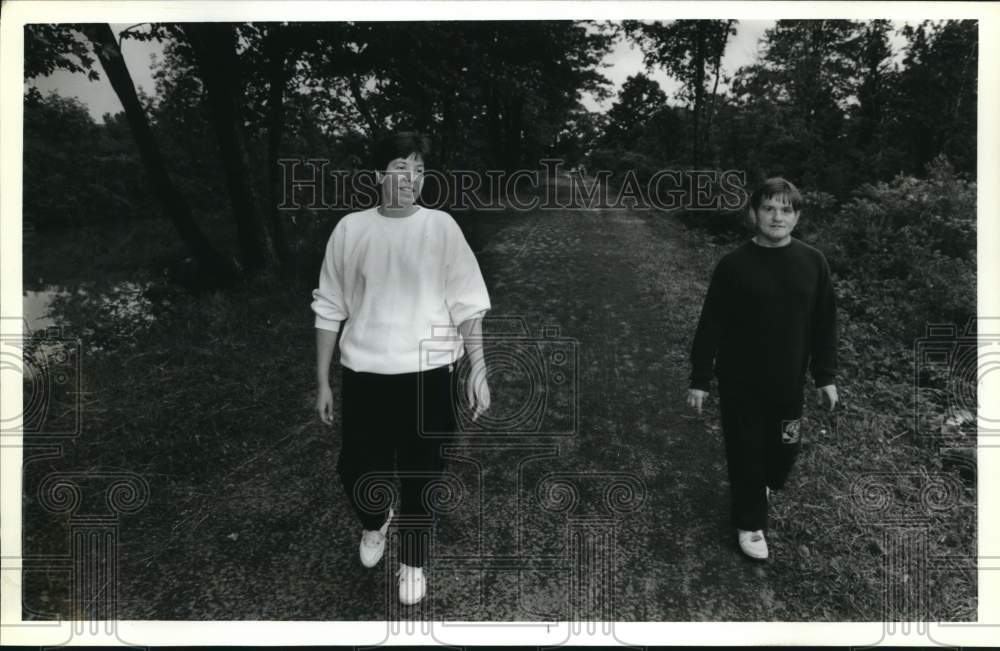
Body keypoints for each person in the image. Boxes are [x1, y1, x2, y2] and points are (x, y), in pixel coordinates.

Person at [312, 132, 491, 605]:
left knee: (421, 474)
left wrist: (478, 368)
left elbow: (468, 304)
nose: (411, 178)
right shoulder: (351, 230)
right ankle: (376, 522)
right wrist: (322, 380)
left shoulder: (442, 228)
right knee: (355, 470)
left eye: (418, 169)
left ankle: (412, 561)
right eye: (399, 167)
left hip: (429, 375)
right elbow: (330, 306)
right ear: (378, 177)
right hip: (365, 374)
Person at [687, 177, 838, 561]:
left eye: (786, 209)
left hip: (787, 381)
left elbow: (824, 323)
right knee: (746, 451)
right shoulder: (734, 265)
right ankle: (750, 523)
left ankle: (763, 483)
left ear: (797, 217)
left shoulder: (813, 262)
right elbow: (711, 324)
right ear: (753, 213)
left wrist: (825, 376)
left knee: (784, 449)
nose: (777, 216)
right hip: (740, 381)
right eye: (769, 208)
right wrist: (700, 378)